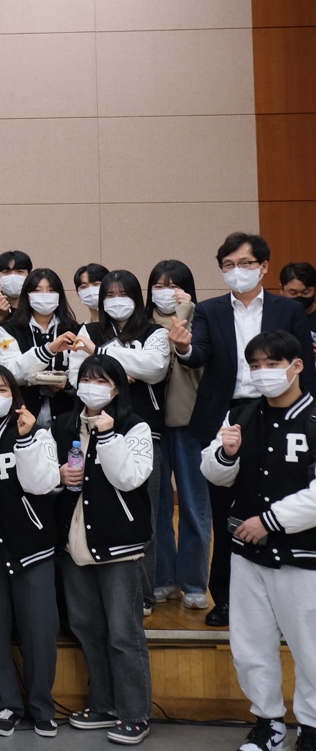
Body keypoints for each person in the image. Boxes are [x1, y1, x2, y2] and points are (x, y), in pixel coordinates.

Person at [167, 232, 315, 627]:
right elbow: (198, 354)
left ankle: (285, 599)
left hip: (281, 410)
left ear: (264, 267)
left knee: (282, 498)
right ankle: (226, 598)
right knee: (224, 511)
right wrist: (182, 347)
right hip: (228, 413)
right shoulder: (210, 309)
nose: (237, 271)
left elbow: (305, 367)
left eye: (246, 263)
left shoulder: (288, 309)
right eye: (229, 265)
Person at [200, 331, 316, 751]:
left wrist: (270, 521)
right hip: (247, 553)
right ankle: (268, 722)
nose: (263, 373)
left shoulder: (313, 417)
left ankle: (311, 726)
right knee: (250, 645)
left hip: (302, 556)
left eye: (272, 364)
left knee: (309, 646)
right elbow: (213, 472)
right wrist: (225, 454)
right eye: (255, 366)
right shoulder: (242, 413)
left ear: (296, 366)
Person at [55, 354, 154, 745]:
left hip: (118, 544)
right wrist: (60, 477)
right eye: (86, 379)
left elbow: (130, 478)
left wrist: (109, 436)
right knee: (87, 628)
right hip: (74, 541)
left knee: (123, 633)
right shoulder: (64, 424)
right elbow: (48, 478)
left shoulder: (135, 426)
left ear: (116, 388)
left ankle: (135, 713)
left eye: (101, 381)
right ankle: (103, 705)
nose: (92, 387)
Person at [0, 364, 61, 738]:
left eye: (3, 389)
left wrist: (27, 439)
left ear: (15, 397)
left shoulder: (36, 432)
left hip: (31, 544)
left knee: (39, 628)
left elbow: (43, 483)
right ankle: (4, 704)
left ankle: (42, 706)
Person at [67, 270, 171, 614]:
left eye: (122, 293)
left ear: (136, 297)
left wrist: (100, 355)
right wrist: (121, 371)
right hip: (89, 430)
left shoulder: (154, 332)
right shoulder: (89, 329)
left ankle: (144, 594)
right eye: (108, 295)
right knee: (93, 509)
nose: (115, 300)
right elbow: (77, 374)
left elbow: (155, 367)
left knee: (143, 513)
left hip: (141, 430)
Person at [146, 260, 208, 609]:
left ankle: (194, 581)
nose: (165, 292)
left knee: (193, 504)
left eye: (173, 285)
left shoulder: (201, 321)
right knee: (156, 508)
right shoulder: (142, 324)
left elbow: (197, 365)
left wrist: (185, 313)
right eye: (158, 285)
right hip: (152, 426)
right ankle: (163, 578)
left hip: (190, 424)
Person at [0, 269, 80, 428]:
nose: (44, 295)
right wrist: (48, 350)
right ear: (27, 296)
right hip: (22, 414)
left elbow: (84, 370)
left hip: (67, 415)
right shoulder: (9, 330)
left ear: (60, 295)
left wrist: (67, 383)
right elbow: (9, 372)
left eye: (51, 290)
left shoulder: (75, 330)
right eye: (37, 290)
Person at [0, 250, 34, 325]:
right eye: (6, 272)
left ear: (29, 276)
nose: (13, 276)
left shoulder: (37, 309)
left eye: (19, 272)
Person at [280, 261, 316, 354]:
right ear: (281, 289)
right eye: (293, 292)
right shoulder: (275, 316)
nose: (299, 296)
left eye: (306, 292)